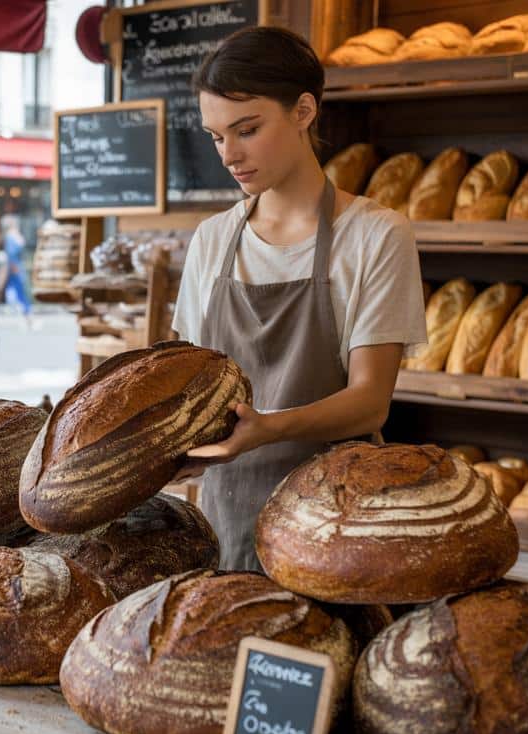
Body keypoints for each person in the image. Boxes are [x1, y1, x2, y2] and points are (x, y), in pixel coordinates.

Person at [174, 27, 427, 571]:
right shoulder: (213, 241)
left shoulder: (376, 235)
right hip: (225, 523)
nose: (229, 154)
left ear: (304, 110)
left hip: (338, 527)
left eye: (247, 129)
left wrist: (267, 427)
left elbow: (370, 400)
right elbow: (195, 388)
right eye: (216, 136)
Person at [0, 214, 33, 328]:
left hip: (14, 267)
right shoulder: (11, 237)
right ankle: (23, 313)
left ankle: (24, 313)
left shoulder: (12, 236)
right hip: (14, 268)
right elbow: (12, 254)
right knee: (18, 291)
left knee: (17, 290)